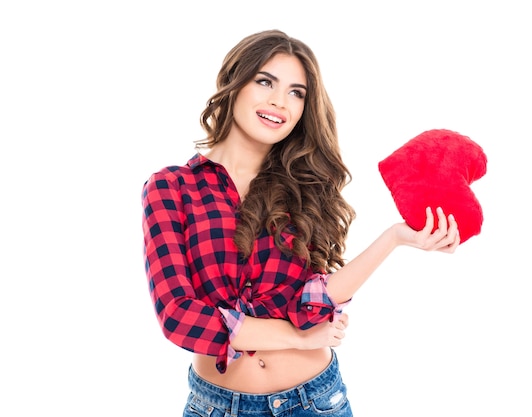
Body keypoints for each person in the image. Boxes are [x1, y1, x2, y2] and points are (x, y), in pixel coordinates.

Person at [141, 29, 460, 417]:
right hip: (217, 406)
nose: (280, 102)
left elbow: (312, 303)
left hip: (314, 401)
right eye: (265, 82)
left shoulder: (304, 187)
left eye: (297, 92)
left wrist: (394, 238)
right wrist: (295, 338)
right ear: (233, 83)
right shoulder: (171, 187)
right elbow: (178, 316)